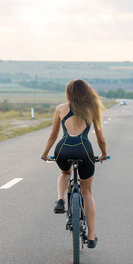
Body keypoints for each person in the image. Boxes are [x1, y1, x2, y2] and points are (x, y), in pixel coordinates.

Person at [40, 79, 108, 249]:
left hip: (63, 149)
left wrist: (44, 153)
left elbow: (53, 135)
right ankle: (91, 237)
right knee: (87, 192)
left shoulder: (61, 108)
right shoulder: (92, 108)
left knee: (65, 173)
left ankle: (60, 199)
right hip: (84, 150)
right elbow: (101, 139)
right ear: (87, 91)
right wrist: (104, 154)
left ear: (68, 93)